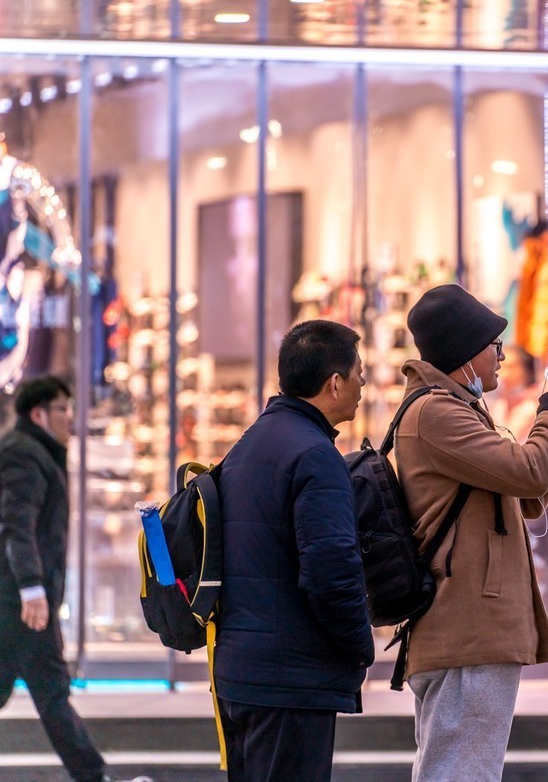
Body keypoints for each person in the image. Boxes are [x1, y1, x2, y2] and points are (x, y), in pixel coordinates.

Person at [393, 284, 548, 782]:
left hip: (472, 628)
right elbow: (527, 474)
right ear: (463, 352)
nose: (501, 356)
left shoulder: (453, 407)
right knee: (461, 773)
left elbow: (524, 491)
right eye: (492, 344)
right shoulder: (436, 413)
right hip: (466, 630)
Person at [0, 377, 147, 782]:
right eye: (64, 409)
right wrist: (32, 587)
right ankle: (93, 776)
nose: (70, 418)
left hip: (3, 593)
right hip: (14, 597)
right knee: (48, 689)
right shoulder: (25, 455)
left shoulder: (28, 450)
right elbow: (16, 525)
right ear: (39, 414)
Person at [213, 320, 375, 782]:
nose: (363, 383)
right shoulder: (316, 456)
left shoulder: (247, 446)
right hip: (291, 681)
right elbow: (331, 570)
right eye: (358, 372)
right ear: (335, 382)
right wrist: (360, 646)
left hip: (242, 674)